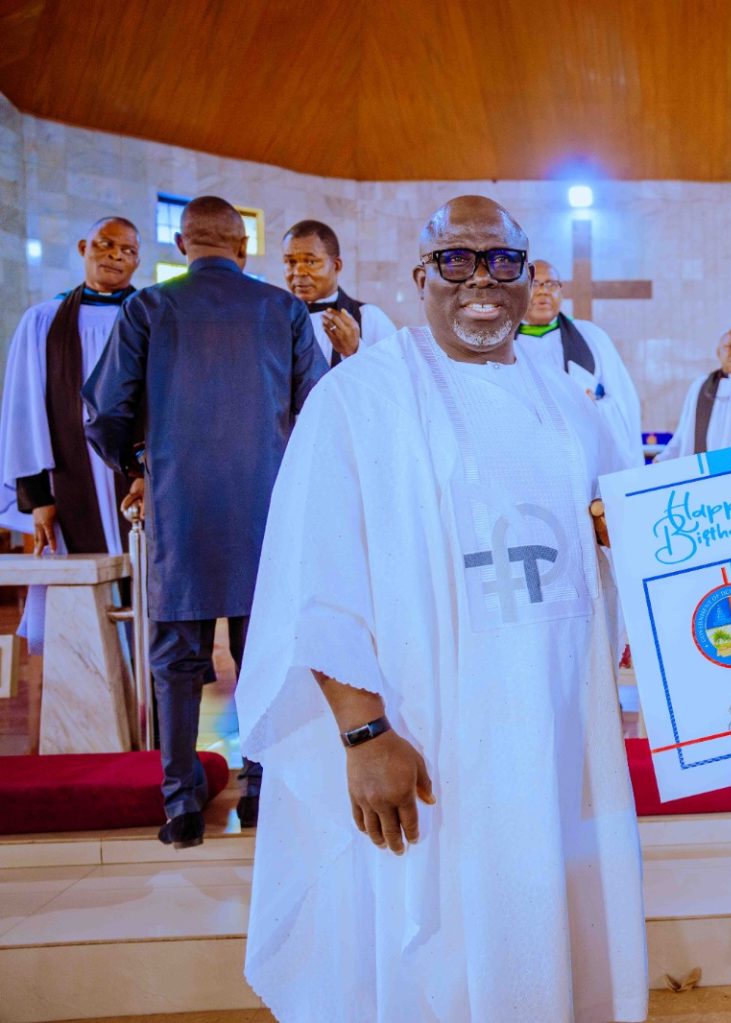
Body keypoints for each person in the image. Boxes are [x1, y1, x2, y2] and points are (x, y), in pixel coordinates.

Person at [236, 196, 646, 1023]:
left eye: (502, 260)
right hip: (428, 741)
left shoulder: (571, 403)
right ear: (421, 275)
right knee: (438, 946)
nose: (480, 280)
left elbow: (623, 530)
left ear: (528, 275)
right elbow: (317, 578)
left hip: (557, 734)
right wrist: (364, 734)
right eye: (456, 259)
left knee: (548, 929)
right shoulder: (359, 400)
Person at [83, 196, 326, 848]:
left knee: (177, 661)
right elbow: (320, 405)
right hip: (265, 511)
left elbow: (104, 409)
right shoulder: (282, 309)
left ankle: (183, 808)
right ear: (242, 247)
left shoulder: (149, 307)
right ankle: (264, 792)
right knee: (264, 654)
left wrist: (136, 465)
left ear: (182, 245)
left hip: (180, 508)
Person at [0, 216, 143, 648]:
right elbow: (24, 411)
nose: (115, 256)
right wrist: (37, 498)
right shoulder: (43, 321)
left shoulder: (150, 318)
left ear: (138, 261)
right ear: (83, 247)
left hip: (136, 481)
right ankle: (89, 685)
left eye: (128, 250)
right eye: (105, 244)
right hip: (68, 480)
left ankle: (144, 685)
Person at [517, 260, 644, 466]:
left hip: (584, 457)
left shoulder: (591, 336)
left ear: (561, 292)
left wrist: (593, 406)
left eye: (551, 284)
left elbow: (623, 402)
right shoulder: (504, 344)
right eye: (534, 284)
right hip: (528, 456)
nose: (543, 291)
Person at [281, 219, 398, 366]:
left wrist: (355, 351)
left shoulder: (368, 317)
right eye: (291, 262)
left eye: (310, 262)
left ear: (336, 266)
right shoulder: (275, 319)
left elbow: (396, 374)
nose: (298, 272)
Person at [654, 327, 731, 460]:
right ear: (718, 352)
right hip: (707, 467)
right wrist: (664, 458)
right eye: (729, 347)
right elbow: (684, 433)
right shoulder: (700, 385)